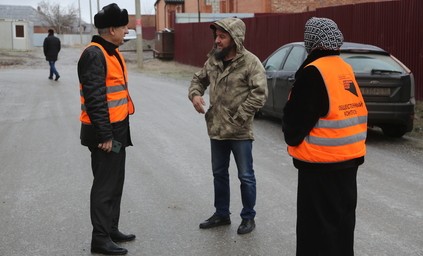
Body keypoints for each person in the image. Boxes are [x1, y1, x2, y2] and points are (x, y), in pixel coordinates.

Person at [282, 17, 368, 256]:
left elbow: (294, 126)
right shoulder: (344, 68)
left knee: (316, 234)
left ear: (312, 41)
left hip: (320, 168)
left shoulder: (313, 72)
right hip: (348, 164)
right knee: (341, 229)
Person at [188, 17, 268, 235]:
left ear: (236, 38)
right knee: (219, 174)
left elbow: (260, 93)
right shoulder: (214, 60)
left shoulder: (251, 63)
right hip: (217, 129)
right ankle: (221, 214)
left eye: (222, 36)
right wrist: (195, 95)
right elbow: (198, 79)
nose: (217, 40)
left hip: (240, 131)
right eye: (216, 36)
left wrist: (240, 117)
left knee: (246, 176)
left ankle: (248, 217)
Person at [77, 3, 135, 255]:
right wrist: (105, 136)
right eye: (123, 28)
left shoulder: (111, 52)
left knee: (115, 182)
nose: (126, 32)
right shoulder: (95, 54)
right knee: (104, 185)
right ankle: (99, 238)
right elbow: (95, 99)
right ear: (111, 29)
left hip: (118, 128)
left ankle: (111, 228)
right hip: (104, 132)